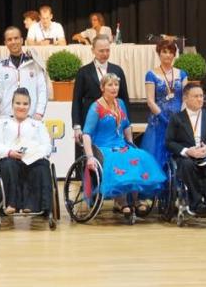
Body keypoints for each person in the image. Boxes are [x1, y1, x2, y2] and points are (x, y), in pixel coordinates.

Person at [82, 74, 165, 215]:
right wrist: (89, 156)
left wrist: (131, 142)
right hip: (103, 147)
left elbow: (126, 125)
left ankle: (136, 199)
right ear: (102, 88)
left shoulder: (120, 103)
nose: (114, 88)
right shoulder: (96, 107)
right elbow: (86, 134)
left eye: (116, 85)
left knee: (139, 156)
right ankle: (121, 201)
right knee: (118, 160)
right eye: (110, 85)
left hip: (121, 144)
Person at [166, 83, 206, 214]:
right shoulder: (176, 118)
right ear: (185, 98)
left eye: (201, 96)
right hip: (187, 158)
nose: (200, 99)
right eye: (195, 96)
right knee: (187, 165)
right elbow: (170, 142)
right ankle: (196, 204)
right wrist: (187, 151)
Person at [0, 88, 53, 215]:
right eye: (18, 103)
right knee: (9, 165)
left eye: (25, 104)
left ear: (30, 106)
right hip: (10, 158)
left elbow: (47, 145)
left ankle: (32, 206)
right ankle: (11, 204)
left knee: (42, 166)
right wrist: (9, 152)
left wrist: (36, 154)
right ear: (12, 104)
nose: (21, 107)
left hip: (32, 159)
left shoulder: (37, 125)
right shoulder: (2, 123)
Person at [71, 36, 130, 150]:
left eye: (107, 50)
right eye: (101, 51)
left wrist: (127, 124)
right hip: (89, 121)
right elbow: (77, 100)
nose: (105, 53)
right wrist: (77, 126)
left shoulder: (117, 70)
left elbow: (124, 98)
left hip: (111, 124)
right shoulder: (83, 72)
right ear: (93, 50)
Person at [141, 39, 188, 168]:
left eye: (170, 52)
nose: (167, 55)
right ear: (159, 54)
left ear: (174, 55)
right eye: (164, 52)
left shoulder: (182, 74)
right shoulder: (151, 74)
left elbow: (186, 98)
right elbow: (150, 101)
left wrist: (181, 118)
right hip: (159, 122)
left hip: (178, 121)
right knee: (156, 158)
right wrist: (163, 118)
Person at [0, 26, 47, 119]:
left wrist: (39, 113)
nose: (13, 42)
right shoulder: (0, 67)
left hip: (31, 118)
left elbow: (42, 90)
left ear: (21, 40)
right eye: (9, 39)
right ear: (5, 43)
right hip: (7, 118)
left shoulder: (34, 63)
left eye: (16, 38)